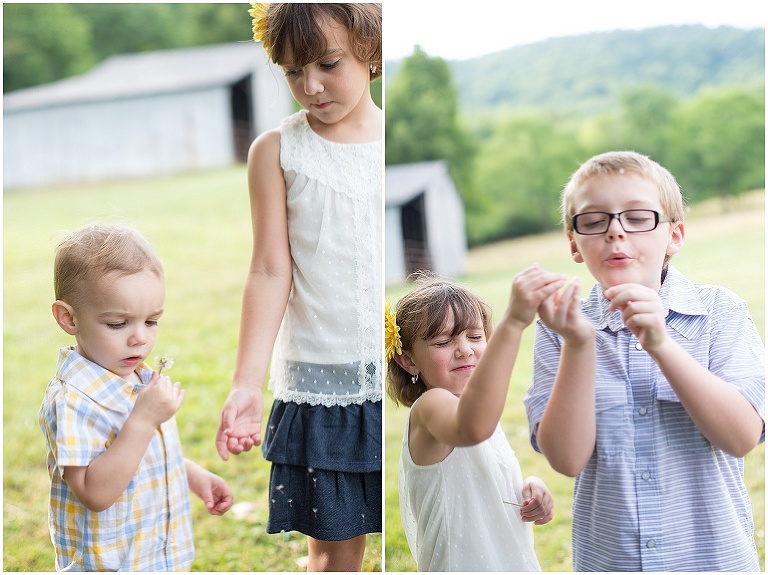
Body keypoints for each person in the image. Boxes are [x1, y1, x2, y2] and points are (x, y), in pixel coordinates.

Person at [525, 151, 765, 571]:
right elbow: (566, 459)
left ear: (674, 235)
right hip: (611, 561)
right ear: (574, 243)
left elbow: (742, 435)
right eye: (594, 220)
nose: (616, 231)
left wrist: (661, 344)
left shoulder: (721, 311)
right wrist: (579, 345)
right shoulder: (560, 326)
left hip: (713, 561)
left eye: (638, 217)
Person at [214, 4, 382, 571]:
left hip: (408, 378)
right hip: (323, 382)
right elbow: (268, 269)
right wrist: (246, 382)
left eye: (328, 64)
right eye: (291, 71)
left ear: (372, 49)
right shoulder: (277, 151)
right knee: (335, 554)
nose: (309, 86)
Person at [38, 223, 233, 571]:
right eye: (118, 323)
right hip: (113, 562)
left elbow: (139, 456)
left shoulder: (136, 375)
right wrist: (142, 420)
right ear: (69, 318)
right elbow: (94, 493)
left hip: (153, 552)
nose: (140, 339)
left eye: (152, 321)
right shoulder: (73, 400)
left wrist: (190, 474)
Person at [387, 268, 559, 572]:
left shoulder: (473, 407)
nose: (465, 350)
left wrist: (527, 486)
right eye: (443, 342)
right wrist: (515, 322)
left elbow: (487, 474)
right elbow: (473, 428)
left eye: (475, 337)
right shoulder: (431, 406)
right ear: (409, 360)